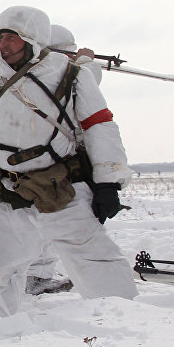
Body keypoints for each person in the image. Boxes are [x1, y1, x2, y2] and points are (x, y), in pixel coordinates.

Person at [0, 6, 138, 318]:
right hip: (2, 188)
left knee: (93, 257)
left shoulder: (73, 75)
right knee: (1, 268)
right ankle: (0, 327)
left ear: (32, 39)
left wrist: (108, 183)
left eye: (13, 37)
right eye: (1, 37)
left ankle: (125, 322)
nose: (4, 44)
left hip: (61, 187)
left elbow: (99, 127)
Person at [23, 23, 101, 296]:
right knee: (52, 224)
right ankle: (36, 276)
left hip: (42, 165)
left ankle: (34, 275)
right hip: (53, 166)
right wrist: (87, 61)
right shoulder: (57, 75)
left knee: (41, 224)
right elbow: (85, 85)